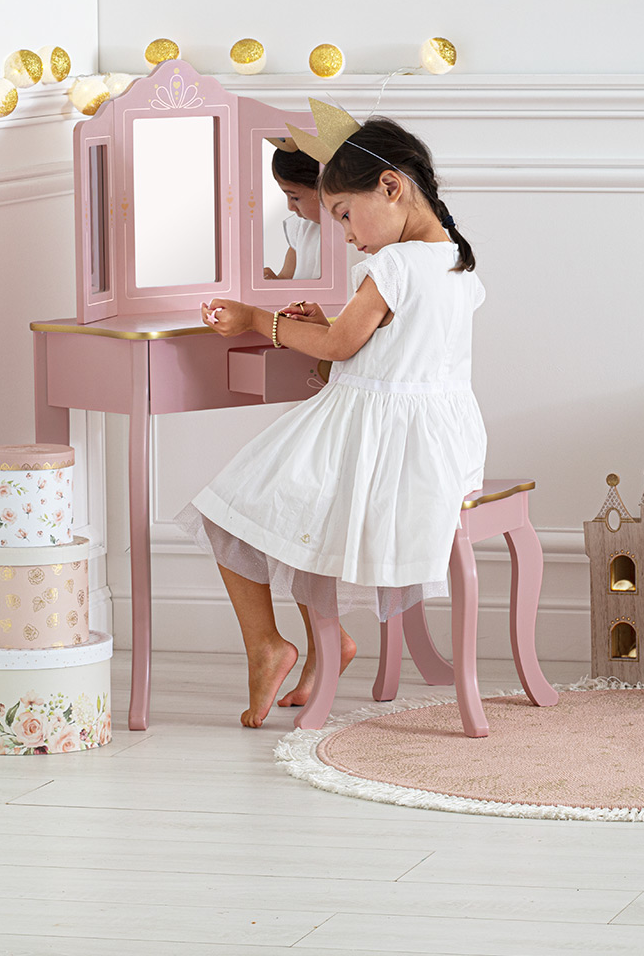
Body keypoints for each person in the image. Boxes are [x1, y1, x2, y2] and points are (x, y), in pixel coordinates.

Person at [177, 115, 486, 728]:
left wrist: (253, 322)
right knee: (293, 508)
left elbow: (342, 348)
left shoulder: (394, 266)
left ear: (391, 188)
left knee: (230, 508)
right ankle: (325, 645)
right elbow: (384, 345)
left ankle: (269, 644)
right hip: (437, 441)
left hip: (375, 432)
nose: (343, 233)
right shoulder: (453, 260)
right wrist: (324, 319)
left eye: (344, 213)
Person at [263, 141, 322, 280]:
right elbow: (286, 279)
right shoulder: (301, 228)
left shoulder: (357, 237)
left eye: (294, 197)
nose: (290, 207)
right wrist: (274, 282)